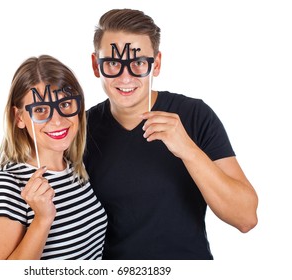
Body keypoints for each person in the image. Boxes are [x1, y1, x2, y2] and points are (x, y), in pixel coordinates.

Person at [84, 8, 258, 260]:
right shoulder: (79, 130)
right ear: (95, 65)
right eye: (112, 62)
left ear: (157, 64)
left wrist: (188, 150)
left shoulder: (195, 115)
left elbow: (246, 218)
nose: (125, 76)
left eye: (138, 63)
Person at [0, 55, 107, 260]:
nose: (57, 120)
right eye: (40, 110)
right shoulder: (8, 186)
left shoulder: (77, 170)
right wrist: (42, 219)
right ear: (19, 117)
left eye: (65, 104)